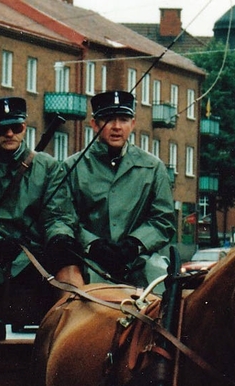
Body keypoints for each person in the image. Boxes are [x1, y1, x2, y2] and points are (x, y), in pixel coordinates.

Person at [0, 96, 81, 341]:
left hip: (37, 251)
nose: (9, 133)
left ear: (24, 128)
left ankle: (74, 326)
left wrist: (59, 238)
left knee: (70, 263)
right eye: (1, 128)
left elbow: (59, 214)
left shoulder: (49, 167)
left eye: (16, 127)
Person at [65, 90, 176, 288]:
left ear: (133, 124)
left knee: (160, 292)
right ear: (94, 124)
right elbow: (64, 217)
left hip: (140, 261)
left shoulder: (153, 167)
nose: (116, 127)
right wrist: (93, 244)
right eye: (108, 119)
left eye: (124, 119)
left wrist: (136, 243)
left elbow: (163, 219)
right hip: (90, 261)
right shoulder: (72, 167)